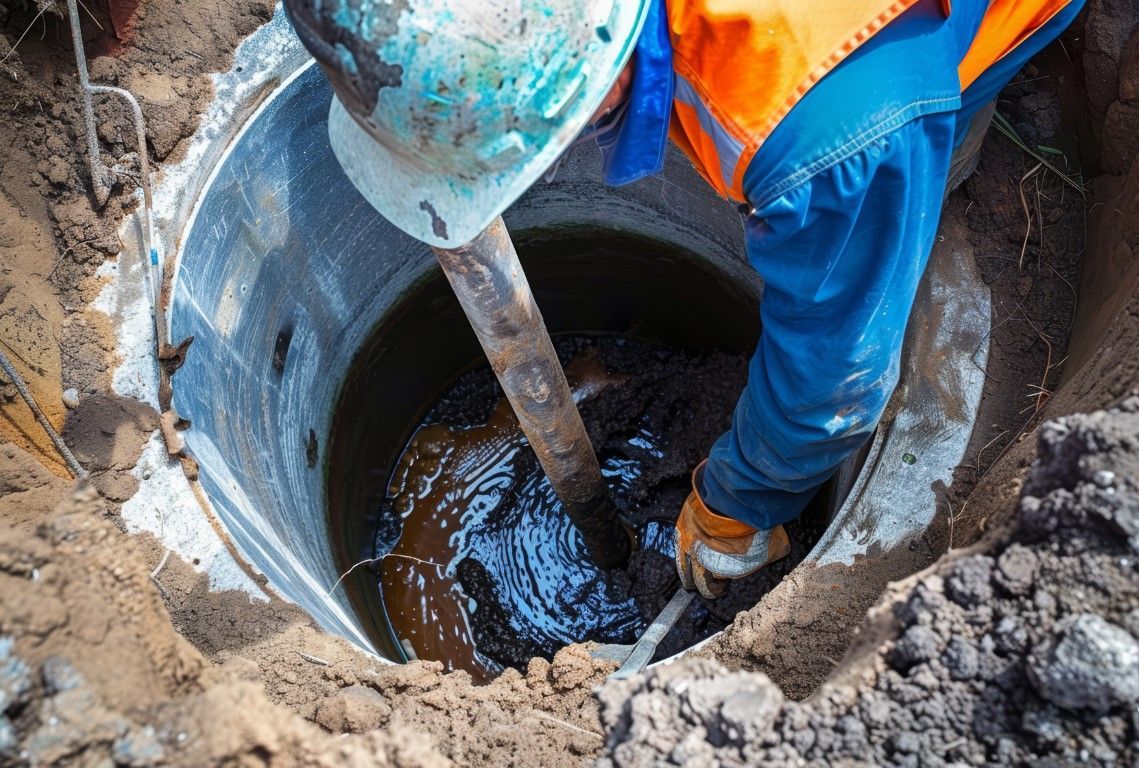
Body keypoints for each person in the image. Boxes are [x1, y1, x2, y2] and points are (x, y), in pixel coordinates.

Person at [285, 0, 1085, 597]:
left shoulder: (817, 136)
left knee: (913, 160)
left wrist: (736, 506)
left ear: (589, 96)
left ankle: (928, 158)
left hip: (879, 68)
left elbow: (830, 391)